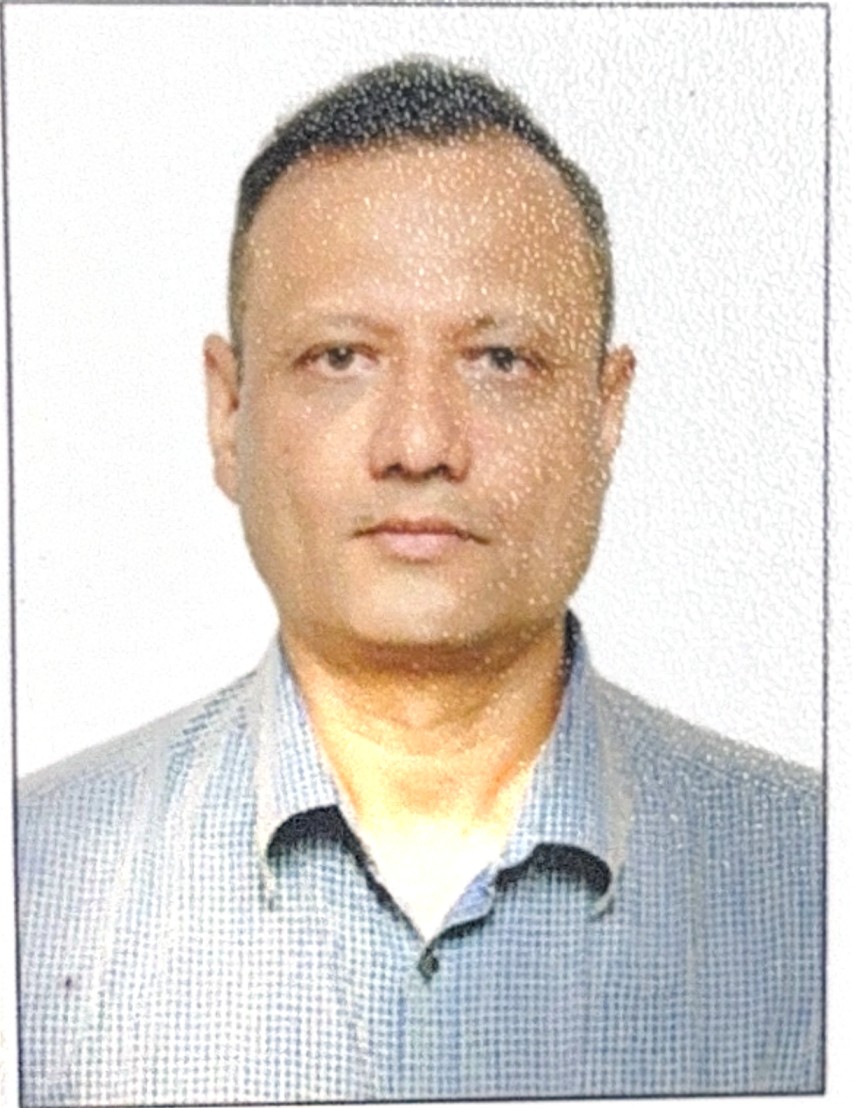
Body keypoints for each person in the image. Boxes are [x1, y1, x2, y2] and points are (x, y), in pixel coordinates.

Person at [17, 59, 822, 1103]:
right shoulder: (33, 888)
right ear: (228, 410)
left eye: (499, 360)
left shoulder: (817, 882)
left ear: (605, 410)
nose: (419, 444)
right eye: (340, 357)